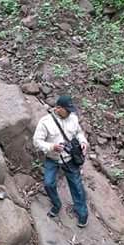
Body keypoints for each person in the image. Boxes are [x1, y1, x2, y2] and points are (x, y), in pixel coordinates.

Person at [33, 95, 89, 228]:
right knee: (48, 183)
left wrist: (83, 142)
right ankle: (57, 204)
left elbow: (79, 132)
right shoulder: (45, 122)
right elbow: (37, 141)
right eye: (67, 110)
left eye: (70, 110)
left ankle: (82, 213)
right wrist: (52, 146)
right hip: (53, 158)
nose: (69, 112)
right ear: (58, 108)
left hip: (70, 159)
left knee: (77, 186)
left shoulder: (73, 118)